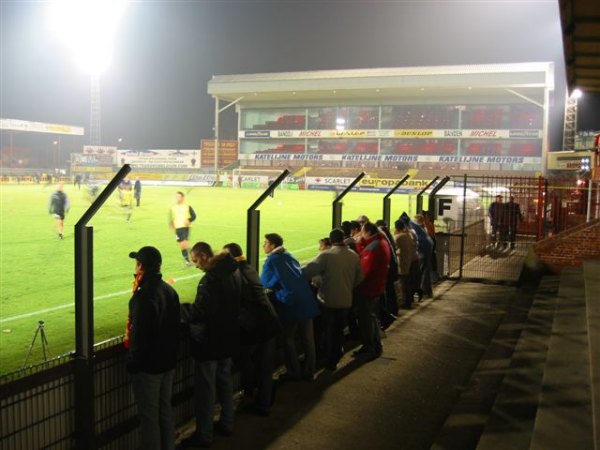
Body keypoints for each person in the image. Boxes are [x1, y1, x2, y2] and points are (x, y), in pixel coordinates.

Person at [180, 242, 242, 448]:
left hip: (210, 341)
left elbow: (202, 311)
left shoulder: (211, 280)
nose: (196, 265)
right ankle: (228, 423)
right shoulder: (233, 272)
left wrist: (182, 310)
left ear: (205, 256)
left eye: (196, 260)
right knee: (225, 382)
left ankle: (205, 434)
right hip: (229, 337)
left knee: (206, 389)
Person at [125, 246, 180, 450]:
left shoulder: (143, 296)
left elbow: (139, 334)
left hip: (149, 367)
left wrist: (133, 362)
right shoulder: (169, 290)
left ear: (141, 266)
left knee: (149, 418)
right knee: (164, 410)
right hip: (168, 362)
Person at [223, 242, 281, 417]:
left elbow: (232, 303)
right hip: (267, 322)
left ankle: (262, 403)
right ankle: (261, 397)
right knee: (260, 364)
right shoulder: (248, 268)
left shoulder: (237, 275)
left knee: (261, 365)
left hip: (260, 326)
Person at [260, 233, 320, 382]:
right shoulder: (289, 255)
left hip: (290, 303)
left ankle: (294, 371)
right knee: (308, 338)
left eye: (265, 243)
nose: (263, 246)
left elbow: (266, 283)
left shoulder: (272, 261)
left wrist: (275, 282)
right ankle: (310, 370)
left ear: (273, 245)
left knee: (288, 338)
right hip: (306, 300)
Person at [303, 228, 364, 371]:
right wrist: (348, 285)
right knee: (339, 330)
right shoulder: (353, 255)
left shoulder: (326, 255)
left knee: (327, 330)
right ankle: (336, 356)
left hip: (327, 300)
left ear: (331, 241)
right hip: (346, 299)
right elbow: (360, 277)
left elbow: (309, 272)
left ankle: (327, 358)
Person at [353, 222, 390, 360]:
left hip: (368, 289)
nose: (360, 235)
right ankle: (375, 346)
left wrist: (353, 285)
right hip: (377, 287)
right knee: (372, 317)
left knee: (366, 319)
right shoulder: (381, 241)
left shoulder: (374, 247)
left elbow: (364, 271)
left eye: (362, 232)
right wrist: (360, 244)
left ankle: (370, 347)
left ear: (368, 232)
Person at [393, 220, 420, 309]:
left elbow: (393, 248)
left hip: (402, 264)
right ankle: (409, 300)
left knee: (402, 284)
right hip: (409, 262)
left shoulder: (398, 237)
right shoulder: (408, 236)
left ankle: (405, 303)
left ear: (396, 228)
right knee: (408, 283)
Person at [169, 191, 196, 266]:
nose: (177, 198)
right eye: (176, 197)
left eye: (179, 196)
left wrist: (189, 220)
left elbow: (194, 216)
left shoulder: (187, 206)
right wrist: (171, 225)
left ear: (182, 198)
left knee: (185, 244)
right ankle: (188, 261)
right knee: (182, 246)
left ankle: (195, 258)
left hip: (185, 227)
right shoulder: (173, 207)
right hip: (177, 228)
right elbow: (172, 218)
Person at [411, 214, 434, 299]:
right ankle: (427, 291)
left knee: (422, 271)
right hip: (427, 250)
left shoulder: (418, 229)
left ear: (418, 221)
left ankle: (423, 291)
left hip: (423, 251)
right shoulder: (423, 228)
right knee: (426, 270)